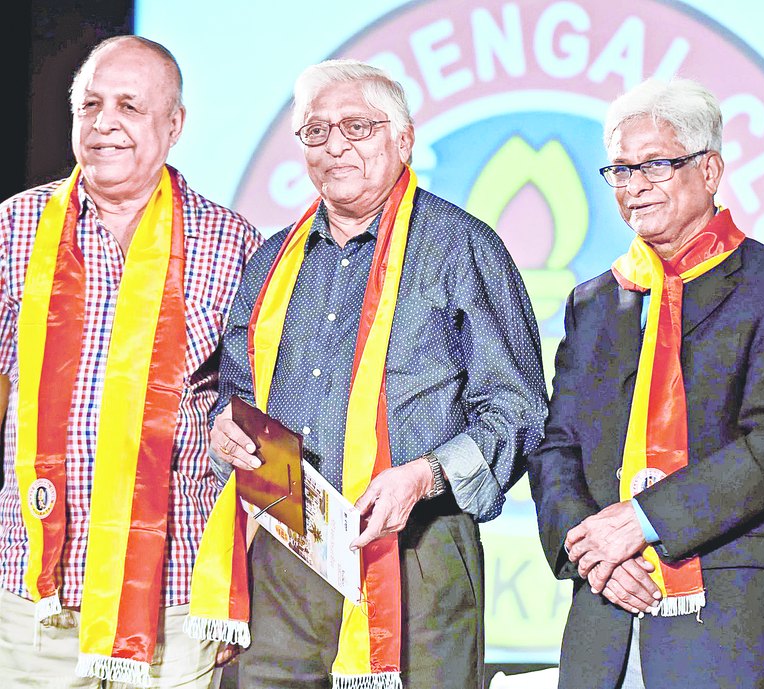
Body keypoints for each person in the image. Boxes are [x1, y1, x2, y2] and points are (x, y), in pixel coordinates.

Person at [203, 59, 547, 689]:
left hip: (416, 548)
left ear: (404, 139)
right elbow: (237, 387)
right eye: (316, 131)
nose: (335, 146)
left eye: (357, 127)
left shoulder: (460, 246)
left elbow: (518, 407)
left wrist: (427, 474)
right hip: (286, 539)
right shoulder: (271, 260)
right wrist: (225, 421)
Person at [527, 77, 764, 689]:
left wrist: (641, 522)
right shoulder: (598, 301)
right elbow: (556, 448)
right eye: (621, 170)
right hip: (605, 616)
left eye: (655, 165)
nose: (634, 188)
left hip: (728, 621)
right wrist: (592, 554)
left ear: (710, 171)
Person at [0, 36, 261, 687]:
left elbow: (266, 421)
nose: (103, 123)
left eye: (128, 106)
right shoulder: (14, 227)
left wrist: (238, 586)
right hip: (34, 597)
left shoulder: (233, 243)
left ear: (174, 126)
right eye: (89, 105)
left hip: (174, 603)